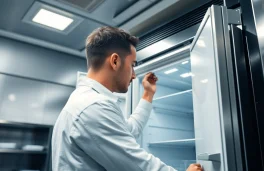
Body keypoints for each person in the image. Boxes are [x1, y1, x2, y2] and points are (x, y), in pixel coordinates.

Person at [52, 26, 203, 171]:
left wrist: (148, 94)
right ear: (115, 61)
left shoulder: (84, 101)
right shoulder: (93, 106)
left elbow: (129, 130)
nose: (134, 75)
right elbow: (137, 165)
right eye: (132, 65)